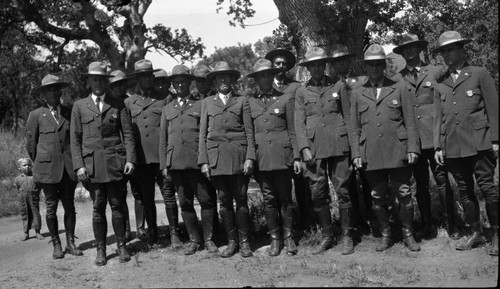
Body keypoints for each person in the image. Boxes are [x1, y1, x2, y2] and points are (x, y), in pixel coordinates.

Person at [349, 44, 421, 252]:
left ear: (384, 65)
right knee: (377, 195)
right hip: (371, 152)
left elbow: (410, 121)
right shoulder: (357, 93)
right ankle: (386, 235)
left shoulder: (399, 87)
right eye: (370, 65)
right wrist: (356, 154)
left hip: (397, 150)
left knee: (404, 193)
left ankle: (408, 234)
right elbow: (353, 127)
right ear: (365, 67)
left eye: (378, 64)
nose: (374, 69)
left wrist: (413, 148)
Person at [433, 31, 498, 256]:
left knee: (488, 189)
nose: (447, 55)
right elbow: (438, 117)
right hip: (453, 146)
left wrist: (496, 140)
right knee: (465, 192)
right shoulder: (440, 82)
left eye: (450, 49)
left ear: (462, 49)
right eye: (443, 51)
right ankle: (477, 233)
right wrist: (438, 146)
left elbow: (493, 109)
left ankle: (497, 235)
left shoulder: (479, 73)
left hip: (479, 143)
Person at [393, 33, 460, 240]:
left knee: (442, 180)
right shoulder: (397, 78)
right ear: (402, 53)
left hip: (434, 136)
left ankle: (452, 224)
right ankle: (427, 224)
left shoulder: (436, 71)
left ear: (420, 49)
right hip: (413, 141)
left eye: (413, 47)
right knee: (420, 184)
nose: (409, 51)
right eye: (405, 49)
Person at [71, 61, 136, 265]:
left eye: (101, 79)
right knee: (98, 207)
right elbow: (75, 139)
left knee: (117, 205)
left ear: (106, 82)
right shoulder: (79, 106)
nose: (98, 83)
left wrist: (131, 159)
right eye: (94, 79)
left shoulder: (117, 103)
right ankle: (101, 250)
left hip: (115, 163)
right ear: (89, 82)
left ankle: (121, 246)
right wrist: (79, 165)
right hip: (93, 166)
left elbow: (127, 134)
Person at [295, 47, 354, 255]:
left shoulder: (338, 85)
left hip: (339, 144)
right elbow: (299, 124)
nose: (317, 68)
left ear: (325, 65)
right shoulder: (302, 92)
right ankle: (328, 236)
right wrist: (304, 148)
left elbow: (348, 117)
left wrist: (353, 149)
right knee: (318, 193)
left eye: (320, 64)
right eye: (313, 65)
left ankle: (347, 236)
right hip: (314, 148)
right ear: (308, 68)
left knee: (343, 191)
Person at [198, 61, 256, 258]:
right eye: (219, 78)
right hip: (217, 158)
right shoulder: (207, 103)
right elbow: (203, 134)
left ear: (232, 80)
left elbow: (249, 132)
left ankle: (245, 242)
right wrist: (204, 161)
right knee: (223, 202)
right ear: (214, 82)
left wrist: (250, 157)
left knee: (241, 200)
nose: (223, 80)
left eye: (226, 77)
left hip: (239, 157)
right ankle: (232, 242)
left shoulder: (242, 101)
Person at [159, 65, 218, 255]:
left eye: (183, 81)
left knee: (206, 200)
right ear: (173, 85)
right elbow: (163, 139)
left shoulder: (201, 105)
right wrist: (164, 165)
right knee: (184, 202)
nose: (180, 84)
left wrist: (204, 160)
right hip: (175, 163)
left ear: (189, 82)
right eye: (176, 82)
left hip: (196, 161)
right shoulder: (167, 109)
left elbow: (205, 135)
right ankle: (195, 240)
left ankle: (209, 239)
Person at [26, 74, 83, 259]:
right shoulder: (36, 115)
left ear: (61, 91)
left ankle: (70, 243)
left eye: (56, 88)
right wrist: (44, 162)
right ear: (43, 93)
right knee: (51, 208)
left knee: (69, 206)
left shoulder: (70, 111)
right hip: (47, 170)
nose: (53, 92)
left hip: (68, 169)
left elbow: (76, 139)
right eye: (49, 89)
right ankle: (56, 245)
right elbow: (31, 146)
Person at [247, 59, 300, 256]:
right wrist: (251, 158)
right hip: (262, 159)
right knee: (269, 199)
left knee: (286, 198)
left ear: (272, 76)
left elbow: (293, 130)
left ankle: (289, 237)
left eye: (268, 75)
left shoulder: (286, 99)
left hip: (283, 156)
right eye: (261, 76)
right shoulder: (250, 102)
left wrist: (296, 157)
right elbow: (249, 134)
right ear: (256, 79)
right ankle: (275, 239)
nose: (265, 79)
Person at [125, 60, 172, 249]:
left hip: (161, 158)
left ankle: (174, 233)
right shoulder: (129, 103)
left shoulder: (164, 98)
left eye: (149, 75)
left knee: (169, 195)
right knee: (147, 199)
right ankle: (153, 236)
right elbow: (127, 133)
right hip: (142, 159)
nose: (146, 79)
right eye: (142, 76)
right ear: (137, 79)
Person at [264, 48, 313, 232]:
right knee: (278, 190)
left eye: (284, 64)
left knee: (302, 185)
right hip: (277, 144)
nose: (281, 67)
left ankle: (306, 223)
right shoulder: (266, 88)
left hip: (296, 140)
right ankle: (279, 228)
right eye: (277, 63)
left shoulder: (296, 87)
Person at [330, 45, 375, 238]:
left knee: (368, 180)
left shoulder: (362, 80)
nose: (341, 64)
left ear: (349, 61)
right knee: (346, 183)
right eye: (336, 61)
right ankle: (356, 222)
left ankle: (375, 220)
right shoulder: (330, 84)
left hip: (362, 135)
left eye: (343, 60)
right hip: (341, 139)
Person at [108, 70, 134, 241]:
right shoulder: (110, 104)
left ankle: (144, 228)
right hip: (118, 155)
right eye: (115, 85)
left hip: (134, 153)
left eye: (121, 84)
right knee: (120, 194)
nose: (119, 87)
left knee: (140, 194)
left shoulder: (132, 100)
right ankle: (125, 229)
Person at [14, 158, 43, 241]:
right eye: (24, 165)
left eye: (29, 165)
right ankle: (26, 233)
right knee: (24, 214)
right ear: (19, 168)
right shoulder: (18, 179)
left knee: (35, 214)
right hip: (22, 199)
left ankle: (37, 232)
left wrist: (36, 194)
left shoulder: (35, 177)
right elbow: (17, 188)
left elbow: (39, 187)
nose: (27, 167)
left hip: (33, 198)